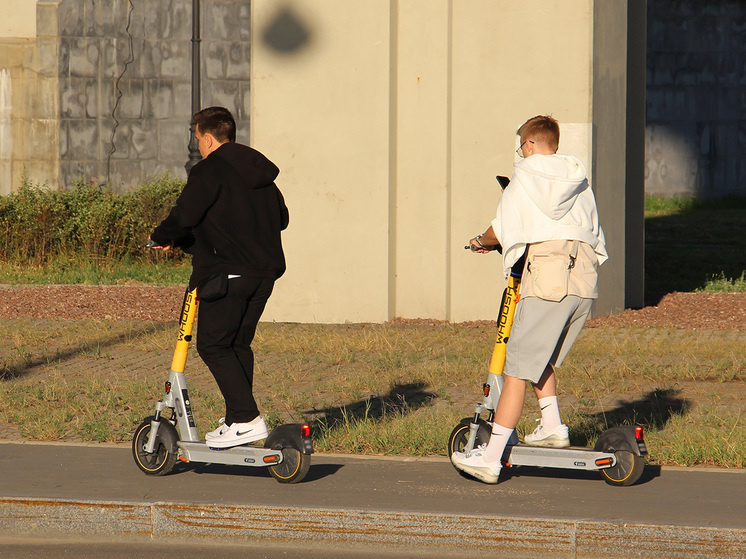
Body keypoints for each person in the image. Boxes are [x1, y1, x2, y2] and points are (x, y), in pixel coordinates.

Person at [452, 115, 607, 483]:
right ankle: (552, 426)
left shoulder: (526, 175)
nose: (521, 151)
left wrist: (480, 241)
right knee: (541, 357)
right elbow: (591, 230)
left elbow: (502, 228)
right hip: (583, 282)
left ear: (533, 144)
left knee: (516, 369)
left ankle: (490, 459)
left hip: (548, 280)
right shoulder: (579, 180)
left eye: (522, 144)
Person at [149, 106, 289, 449]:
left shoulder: (209, 171)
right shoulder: (261, 173)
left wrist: (162, 234)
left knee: (213, 345)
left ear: (208, 138)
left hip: (227, 274)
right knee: (237, 345)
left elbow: (186, 213)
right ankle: (237, 420)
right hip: (263, 274)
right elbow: (281, 218)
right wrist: (181, 239)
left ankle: (246, 418)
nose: (197, 146)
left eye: (197, 139)